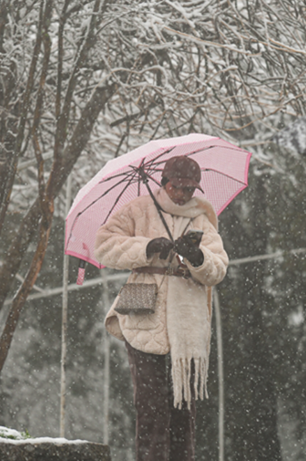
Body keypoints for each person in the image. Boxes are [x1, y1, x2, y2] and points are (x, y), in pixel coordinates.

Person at [94, 155, 228, 461]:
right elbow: (104, 244)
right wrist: (147, 247)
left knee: (183, 410)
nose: (181, 194)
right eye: (176, 187)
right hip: (142, 303)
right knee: (150, 406)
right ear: (163, 182)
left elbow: (219, 268)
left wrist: (196, 257)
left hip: (187, 318)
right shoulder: (138, 210)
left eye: (189, 189)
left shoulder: (202, 220)